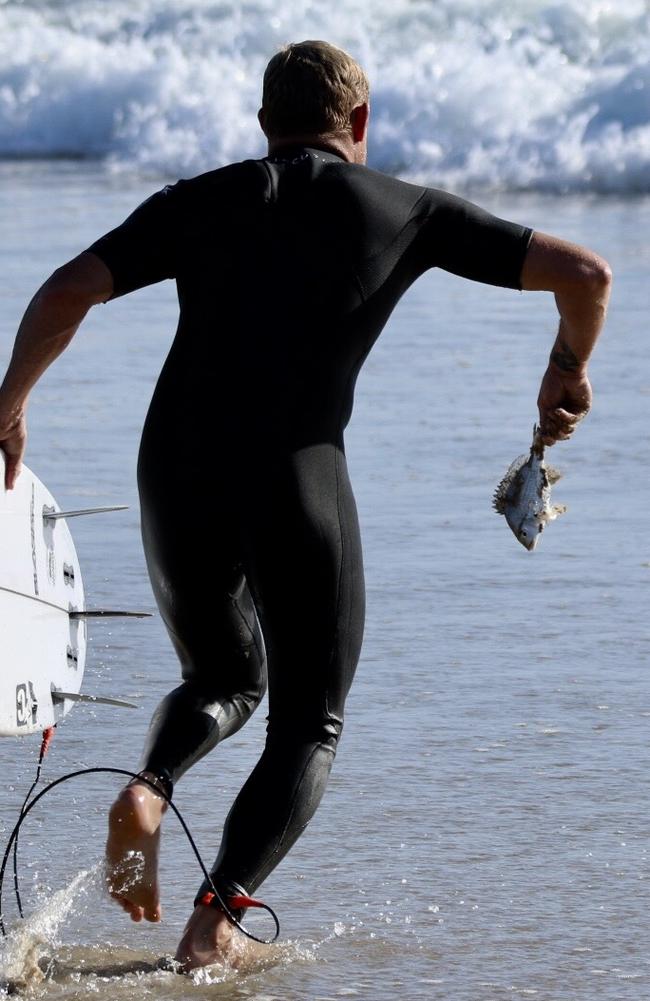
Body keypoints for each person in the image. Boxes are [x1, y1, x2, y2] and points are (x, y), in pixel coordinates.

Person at [0, 40, 611, 971]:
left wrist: (8, 406)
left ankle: (152, 787)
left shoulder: (200, 199)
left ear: (262, 125)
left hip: (174, 467)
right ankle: (215, 923)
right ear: (359, 125)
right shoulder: (404, 209)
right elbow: (587, 275)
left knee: (222, 677)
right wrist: (565, 371)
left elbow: (66, 289)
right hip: (295, 475)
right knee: (308, 722)